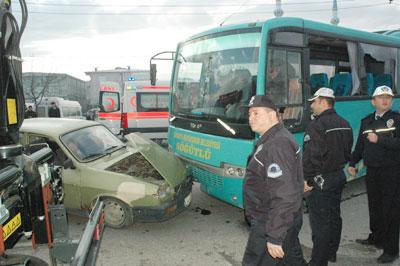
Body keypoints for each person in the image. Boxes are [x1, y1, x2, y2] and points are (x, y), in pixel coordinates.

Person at [241, 95, 306, 266]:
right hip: (278, 218)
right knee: (291, 259)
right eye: (249, 114)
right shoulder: (273, 138)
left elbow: (285, 193)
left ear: (272, 116)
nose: (251, 118)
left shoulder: (277, 144)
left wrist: (275, 236)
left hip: (270, 220)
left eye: (256, 113)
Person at [347, 85, 400, 264]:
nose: (385, 100)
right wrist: (353, 163)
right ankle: (376, 237)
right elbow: (360, 147)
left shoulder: (397, 120)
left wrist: (380, 140)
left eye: (389, 97)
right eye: (381, 97)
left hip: (391, 171)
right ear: (373, 101)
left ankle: (391, 249)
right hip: (373, 171)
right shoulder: (367, 121)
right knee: (375, 207)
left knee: (391, 211)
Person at [302, 87, 353, 266]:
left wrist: (307, 179)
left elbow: (311, 157)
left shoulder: (317, 125)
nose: (312, 106)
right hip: (338, 176)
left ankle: (318, 261)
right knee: (333, 216)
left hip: (320, 180)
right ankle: (331, 252)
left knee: (320, 223)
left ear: (323, 102)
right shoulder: (345, 122)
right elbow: (348, 153)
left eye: (314, 102)